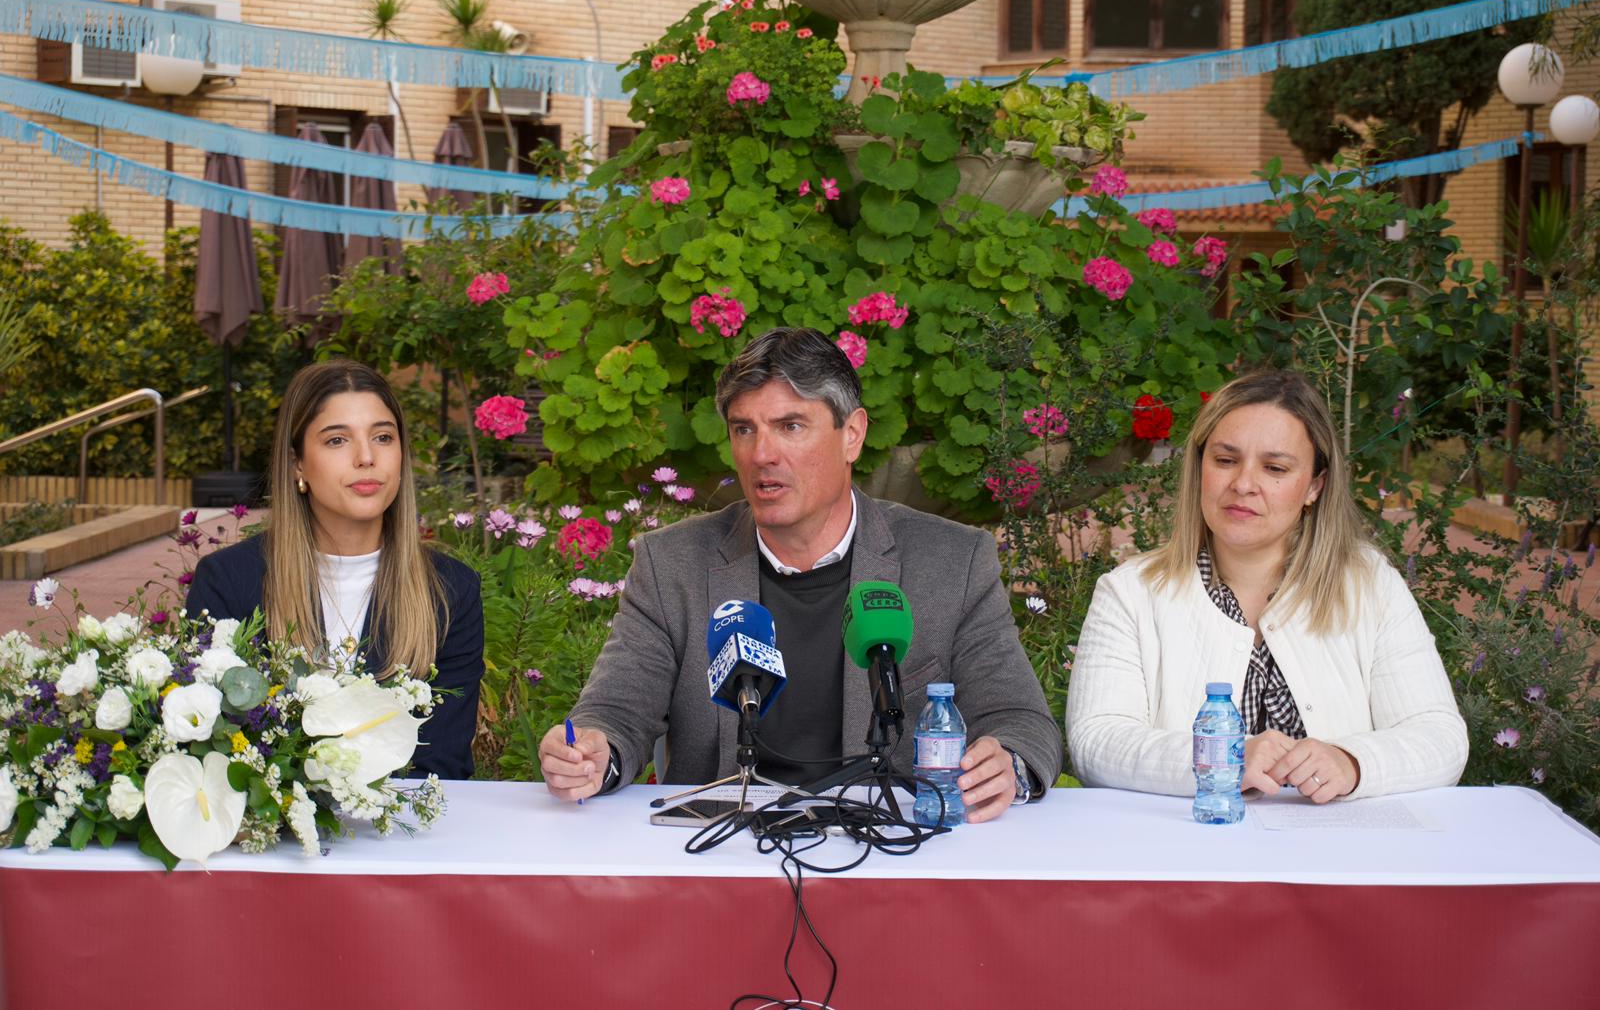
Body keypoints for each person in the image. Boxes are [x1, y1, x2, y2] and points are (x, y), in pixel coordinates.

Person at [539, 327, 1061, 822]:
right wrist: (592, 754)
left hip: (889, 844)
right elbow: (615, 713)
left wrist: (1007, 764)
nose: (762, 455)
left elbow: (1021, 720)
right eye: (744, 429)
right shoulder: (672, 563)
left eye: (790, 426)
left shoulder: (951, 561)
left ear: (852, 434)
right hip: (723, 846)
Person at [1066, 369, 1467, 802]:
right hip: (1190, 841)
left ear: (1315, 485)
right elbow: (1097, 741)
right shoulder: (1131, 593)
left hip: (1333, 843)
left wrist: (1352, 762)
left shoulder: (1369, 587)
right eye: (1225, 460)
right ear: (1199, 468)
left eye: (1275, 468)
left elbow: (1440, 737)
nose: (1243, 484)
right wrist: (1225, 757)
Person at [186, 359, 484, 780]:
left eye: (383, 437)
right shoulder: (229, 582)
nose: (366, 457)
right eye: (337, 440)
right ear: (297, 464)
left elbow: (442, 766)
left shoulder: (450, 590)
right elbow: (210, 750)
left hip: (403, 820)